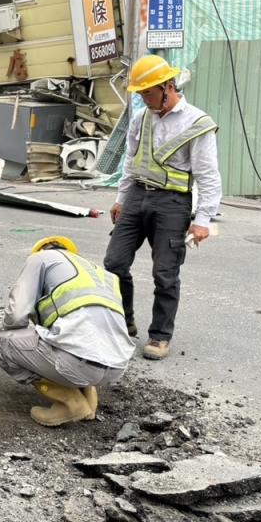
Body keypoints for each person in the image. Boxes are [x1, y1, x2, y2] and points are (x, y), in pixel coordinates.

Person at [103, 55, 221, 361]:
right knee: (114, 263)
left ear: (167, 87)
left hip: (172, 203)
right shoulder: (141, 118)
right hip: (137, 197)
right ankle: (124, 321)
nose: (143, 99)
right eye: (140, 93)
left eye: (147, 93)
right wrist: (120, 199)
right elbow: (131, 162)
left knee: (165, 273)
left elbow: (208, 174)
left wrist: (203, 220)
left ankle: (160, 336)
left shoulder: (197, 122)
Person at [0, 236, 135, 426]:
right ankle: (89, 403)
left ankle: (70, 403)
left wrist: (19, 341)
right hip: (117, 366)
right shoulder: (101, 275)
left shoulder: (40, 259)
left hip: (78, 363)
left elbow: (16, 316)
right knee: (78, 340)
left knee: (0, 345)